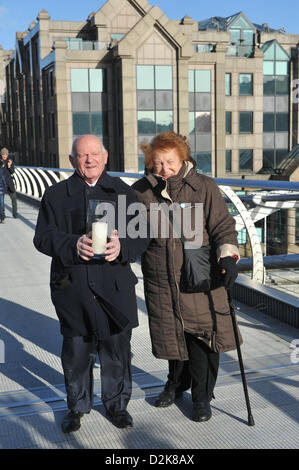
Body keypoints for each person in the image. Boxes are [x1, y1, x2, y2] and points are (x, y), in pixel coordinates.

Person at [33, 134, 149, 433]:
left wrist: (121, 247)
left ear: (105, 156)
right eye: (82, 155)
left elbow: (142, 235)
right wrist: (73, 245)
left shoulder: (124, 193)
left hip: (114, 286)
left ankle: (117, 405)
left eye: (95, 154)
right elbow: (42, 237)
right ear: (72, 160)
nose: (89, 160)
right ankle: (76, 406)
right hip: (73, 287)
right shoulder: (56, 195)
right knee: (76, 351)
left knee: (116, 350)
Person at [132, 131, 240, 422]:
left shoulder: (203, 186)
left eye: (170, 162)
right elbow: (129, 229)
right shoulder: (141, 191)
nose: (164, 169)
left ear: (183, 159)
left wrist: (228, 256)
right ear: (149, 162)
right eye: (158, 163)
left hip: (198, 273)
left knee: (204, 336)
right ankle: (176, 384)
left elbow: (223, 226)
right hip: (160, 275)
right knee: (172, 334)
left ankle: (203, 396)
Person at [0, 148, 17, 218]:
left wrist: (9, 166)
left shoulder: (10, 161)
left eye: (6, 154)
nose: (4, 155)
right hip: (1, 183)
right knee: (1, 200)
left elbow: (12, 171)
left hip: (9, 183)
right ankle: (2, 214)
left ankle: (15, 213)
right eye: (3, 154)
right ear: (1, 155)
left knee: (14, 198)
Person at [0, 157, 7, 223]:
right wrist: (5, 187)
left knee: (1, 204)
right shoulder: (1, 170)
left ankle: (2, 217)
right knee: (1, 204)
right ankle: (2, 218)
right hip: (1, 189)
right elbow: (3, 179)